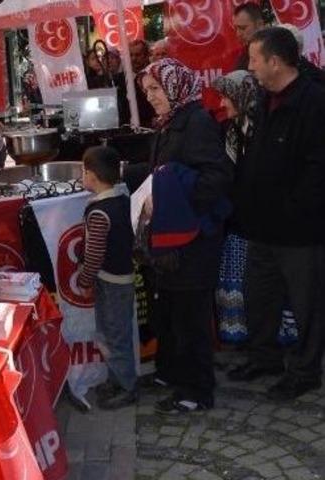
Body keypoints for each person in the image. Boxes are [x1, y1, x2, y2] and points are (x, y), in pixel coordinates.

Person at [229, 27, 325, 400]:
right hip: (262, 226)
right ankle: (264, 357)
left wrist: (292, 208)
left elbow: (318, 170)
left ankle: (305, 371)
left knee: (307, 304)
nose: (249, 66)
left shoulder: (314, 102)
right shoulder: (264, 99)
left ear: (275, 61)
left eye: (254, 59)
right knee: (259, 296)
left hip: (300, 230)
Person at [138, 58, 233, 414]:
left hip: (195, 240)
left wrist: (163, 197)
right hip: (174, 241)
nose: (149, 97)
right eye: (147, 90)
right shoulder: (171, 121)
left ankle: (197, 390)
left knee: (191, 317)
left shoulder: (197, 122)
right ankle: (174, 373)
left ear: (175, 87)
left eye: (155, 89)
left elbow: (216, 179)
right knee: (172, 310)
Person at [77, 146, 136, 410]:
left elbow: (94, 254)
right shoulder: (123, 200)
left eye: (83, 171)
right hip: (118, 278)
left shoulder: (100, 212)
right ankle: (116, 379)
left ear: (91, 175)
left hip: (111, 282)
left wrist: (84, 280)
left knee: (115, 336)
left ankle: (126, 386)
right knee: (111, 332)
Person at [211, 70, 260, 343]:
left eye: (226, 97)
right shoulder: (228, 130)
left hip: (259, 227)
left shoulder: (262, 130)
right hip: (235, 224)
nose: (221, 104)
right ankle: (246, 341)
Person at [130, 39, 157, 126]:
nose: (134, 58)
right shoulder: (122, 80)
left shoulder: (155, 76)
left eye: (137, 55)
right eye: (131, 55)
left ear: (146, 56)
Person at [232, 2, 266, 71]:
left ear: (260, 25)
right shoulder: (243, 56)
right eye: (236, 29)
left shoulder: (275, 51)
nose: (238, 34)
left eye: (243, 28)